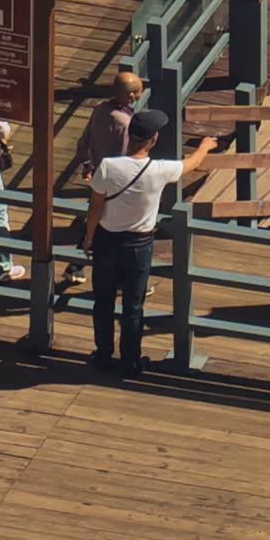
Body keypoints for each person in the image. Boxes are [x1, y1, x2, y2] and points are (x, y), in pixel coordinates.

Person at [86, 141, 181, 369]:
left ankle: (103, 355)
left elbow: (95, 206)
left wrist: (89, 237)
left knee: (103, 302)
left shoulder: (108, 165)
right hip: (139, 244)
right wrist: (205, 147)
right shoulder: (160, 169)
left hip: (106, 241)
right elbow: (190, 164)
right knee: (133, 306)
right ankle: (130, 361)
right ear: (153, 140)